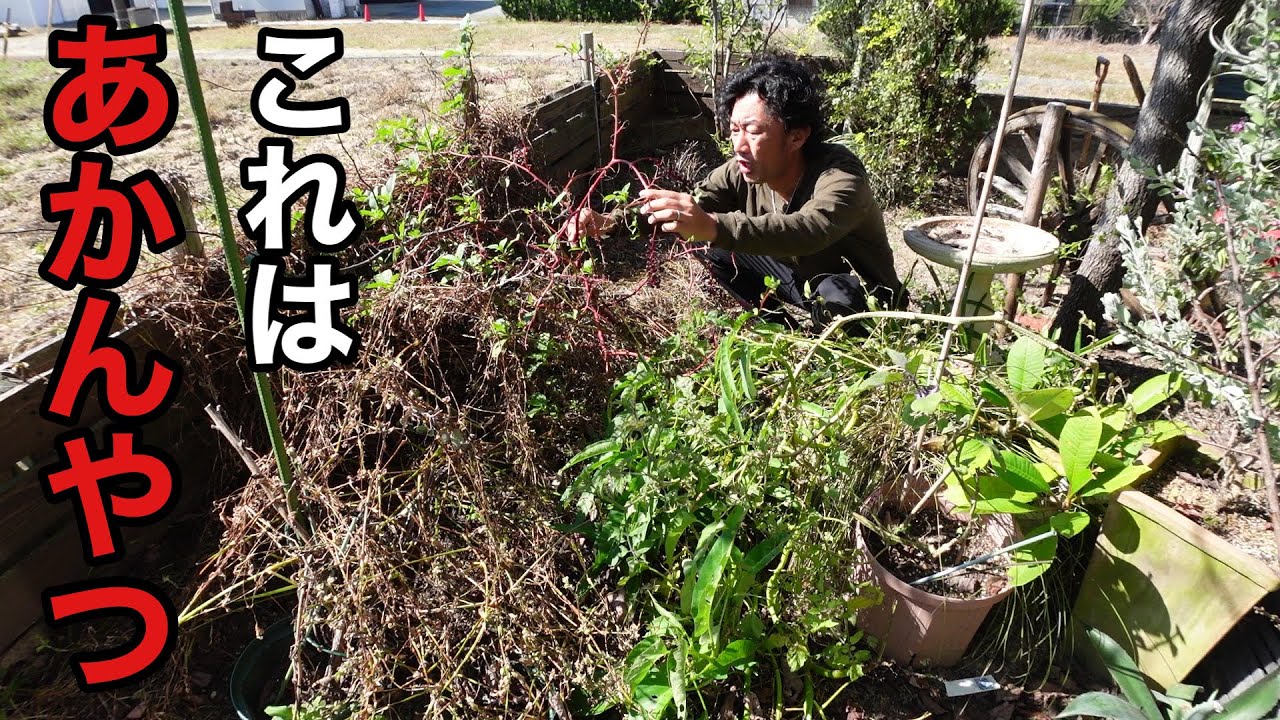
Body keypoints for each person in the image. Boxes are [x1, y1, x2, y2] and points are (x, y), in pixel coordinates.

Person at [574, 56, 904, 332]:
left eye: (754, 131)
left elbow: (810, 230)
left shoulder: (840, 175)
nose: (739, 145)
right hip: (804, 284)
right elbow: (689, 207)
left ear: (796, 137)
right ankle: (786, 334)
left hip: (867, 299)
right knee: (718, 251)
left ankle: (847, 350)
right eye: (734, 130)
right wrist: (610, 221)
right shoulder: (741, 171)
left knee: (836, 292)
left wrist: (716, 226)